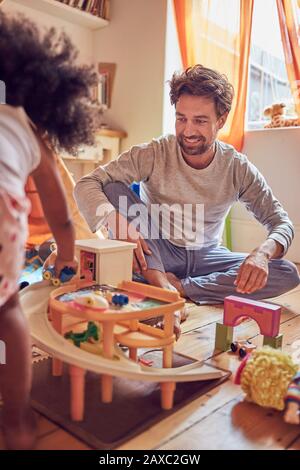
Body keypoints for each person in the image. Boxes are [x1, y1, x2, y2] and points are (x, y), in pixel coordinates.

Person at [74, 65, 300, 334]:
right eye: (181, 118)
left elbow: (282, 223)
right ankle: (160, 282)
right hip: (156, 253)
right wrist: (118, 222)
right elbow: (86, 184)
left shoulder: (237, 168)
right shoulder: (155, 152)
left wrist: (261, 254)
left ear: (222, 120)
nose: (188, 130)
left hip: (207, 256)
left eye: (200, 120)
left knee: (287, 272)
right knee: (112, 186)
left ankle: (175, 289)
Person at [0, 11, 99, 449]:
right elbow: (61, 212)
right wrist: (65, 252)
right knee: (8, 314)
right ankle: (18, 419)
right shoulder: (26, 128)